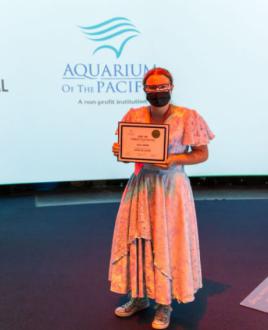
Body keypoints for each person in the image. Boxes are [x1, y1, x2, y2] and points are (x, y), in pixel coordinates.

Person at [108, 67, 215, 329]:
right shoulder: (134, 115)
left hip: (172, 188)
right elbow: (126, 150)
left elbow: (201, 153)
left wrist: (175, 159)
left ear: (171, 87)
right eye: (151, 88)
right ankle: (139, 296)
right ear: (145, 90)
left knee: (168, 242)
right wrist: (119, 150)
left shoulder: (187, 116)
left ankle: (164, 304)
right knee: (138, 239)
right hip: (142, 185)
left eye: (162, 87)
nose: (157, 93)